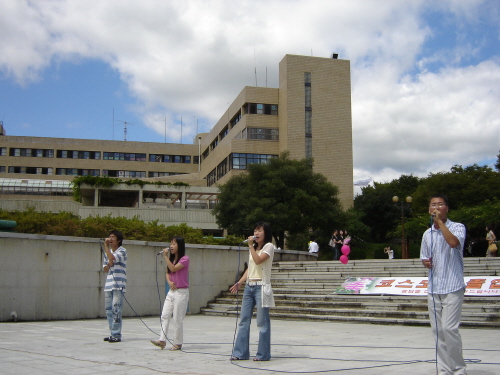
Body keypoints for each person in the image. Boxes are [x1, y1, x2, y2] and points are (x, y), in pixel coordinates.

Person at [420, 194, 467, 375]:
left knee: (449, 328)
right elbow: (424, 257)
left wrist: (441, 224)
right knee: (438, 331)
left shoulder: (457, 227)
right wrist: (426, 262)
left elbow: (454, 243)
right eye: (433, 205)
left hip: (453, 285)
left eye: (440, 204)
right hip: (434, 287)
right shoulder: (427, 233)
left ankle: (458, 368)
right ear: (429, 209)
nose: (437, 207)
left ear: (447, 208)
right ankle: (444, 369)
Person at [230, 222, 275, 361]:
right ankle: (240, 353)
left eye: (259, 230)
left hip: (261, 287)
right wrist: (240, 282)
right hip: (249, 287)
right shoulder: (253, 248)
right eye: (255, 230)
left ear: (265, 233)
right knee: (244, 320)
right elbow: (250, 268)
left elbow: (258, 260)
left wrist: (250, 246)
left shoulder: (269, 246)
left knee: (262, 322)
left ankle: (263, 354)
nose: (256, 233)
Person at [151, 236, 190, 351]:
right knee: (165, 315)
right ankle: (162, 340)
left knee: (177, 318)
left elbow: (173, 269)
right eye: (170, 244)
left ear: (180, 246)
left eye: (174, 244)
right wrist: (169, 282)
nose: (171, 246)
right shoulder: (171, 259)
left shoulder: (185, 259)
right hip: (171, 291)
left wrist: (165, 256)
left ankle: (177, 343)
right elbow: (168, 272)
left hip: (181, 292)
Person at [102, 230, 127, 343]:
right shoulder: (107, 252)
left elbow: (112, 258)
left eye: (113, 237)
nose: (110, 239)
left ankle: (117, 335)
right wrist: (108, 263)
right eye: (109, 237)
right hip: (109, 285)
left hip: (118, 285)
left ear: (119, 240)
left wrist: (106, 247)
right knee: (109, 310)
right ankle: (112, 333)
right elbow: (105, 269)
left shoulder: (122, 251)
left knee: (116, 309)